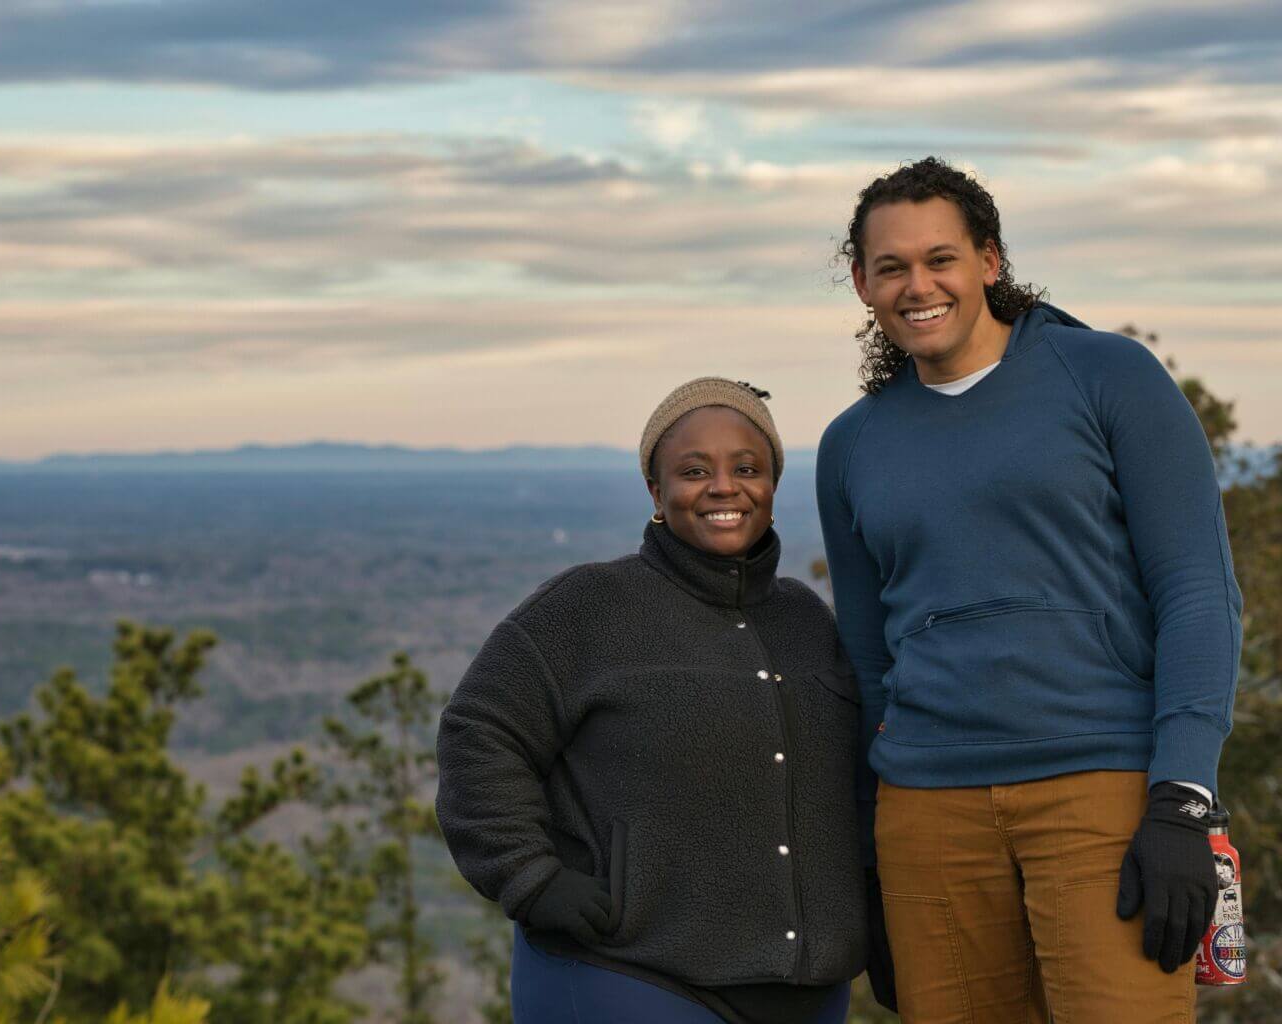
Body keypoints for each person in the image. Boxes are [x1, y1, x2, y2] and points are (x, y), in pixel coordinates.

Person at [816, 156, 1243, 1022]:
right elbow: (868, 661)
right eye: (890, 267)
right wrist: (869, 862)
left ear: (990, 261)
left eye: (941, 258)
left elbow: (1197, 591)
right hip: (925, 814)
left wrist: (1182, 800)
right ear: (862, 283)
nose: (917, 285)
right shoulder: (851, 445)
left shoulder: (1106, 376)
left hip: (1102, 790)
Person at [438, 377, 866, 1024]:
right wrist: (531, 878)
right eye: (694, 470)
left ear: (772, 486)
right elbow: (480, 732)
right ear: (655, 491)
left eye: (746, 468)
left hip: (810, 996)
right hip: (631, 979)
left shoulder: (808, 623)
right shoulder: (589, 608)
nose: (724, 487)